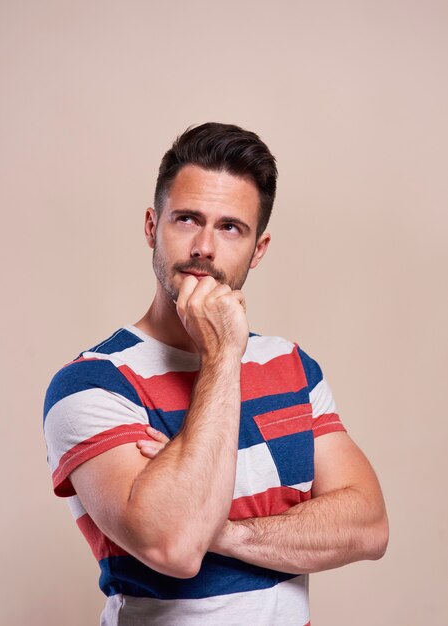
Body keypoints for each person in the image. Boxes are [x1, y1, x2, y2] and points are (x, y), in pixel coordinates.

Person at [43, 122, 388, 625]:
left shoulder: (290, 365)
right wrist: (224, 354)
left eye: (231, 227)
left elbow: (368, 527)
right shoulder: (93, 381)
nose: (204, 246)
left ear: (258, 249)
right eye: (187, 219)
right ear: (151, 226)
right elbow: (176, 545)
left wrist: (221, 529)